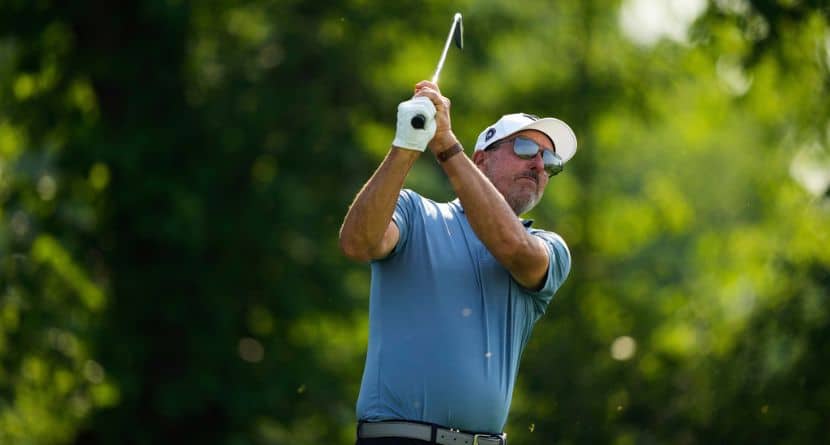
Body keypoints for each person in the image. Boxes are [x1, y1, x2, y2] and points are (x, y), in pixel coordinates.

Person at [339, 80, 576, 445]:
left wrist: (447, 146)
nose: (539, 165)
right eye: (526, 147)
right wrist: (407, 145)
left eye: (550, 160)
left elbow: (513, 249)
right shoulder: (415, 213)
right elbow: (358, 243)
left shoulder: (549, 248)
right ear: (481, 158)